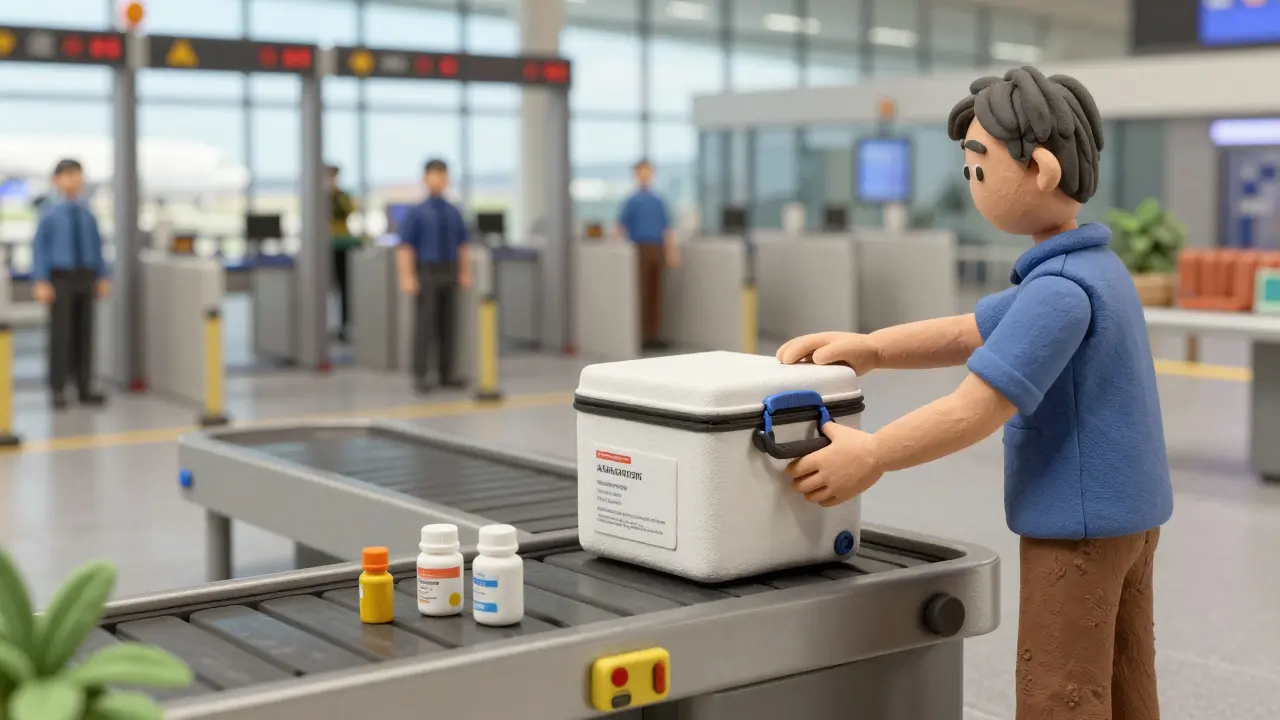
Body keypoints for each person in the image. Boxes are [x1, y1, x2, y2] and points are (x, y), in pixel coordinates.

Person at [777, 67, 1171, 720]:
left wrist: (871, 454)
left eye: (978, 169)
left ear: (1039, 169)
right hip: (1131, 517)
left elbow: (973, 409)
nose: (971, 184)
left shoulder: (1059, 292)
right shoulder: (1095, 268)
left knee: (1060, 689)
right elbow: (969, 329)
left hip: (1076, 529)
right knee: (1128, 677)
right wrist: (874, 348)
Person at [32, 159, 110, 410]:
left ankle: (85, 385)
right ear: (56, 179)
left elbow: (98, 245)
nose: (73, 180)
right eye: (67, 175)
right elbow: (40, 248)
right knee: (61, 334)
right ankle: (58, 388)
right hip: (60, 277)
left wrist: (102, 275)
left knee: (85, 332)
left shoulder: (87, 211)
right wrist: (41, 279)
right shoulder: (49, 211)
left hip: (86, 276)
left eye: (77, 175)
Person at [395, 159, 470, 394]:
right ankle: (421, 374)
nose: (438, 180)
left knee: (449, 325)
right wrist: (407, 276)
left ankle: (446, 374)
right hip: (426, 271)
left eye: (442, 175)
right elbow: (405, 247)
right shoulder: (417, 213)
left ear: (447, 179)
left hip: (449, 271)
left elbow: (463, 245)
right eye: (433, 175)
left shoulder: (454, 211)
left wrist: (464, 273)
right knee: (425, 326)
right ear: (426, 178)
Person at [616, 159, 679, 350]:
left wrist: (672, 253)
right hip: (639, 250)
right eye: (642, 171)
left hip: (657, 249)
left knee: (655, 293)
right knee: (641, 293)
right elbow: (620, 228)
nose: (645, 175)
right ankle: (640, 335)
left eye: (648, 171)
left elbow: (667, 229)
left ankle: (653, 334)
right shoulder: (631, 201)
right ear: (636, 174)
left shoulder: (658, 201)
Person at [328, 164, 358, 342]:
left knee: (344, 288)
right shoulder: (318, 196)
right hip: (324, 247)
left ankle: (344, 326)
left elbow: (350, 210)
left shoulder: (342, 196)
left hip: (341, 245)